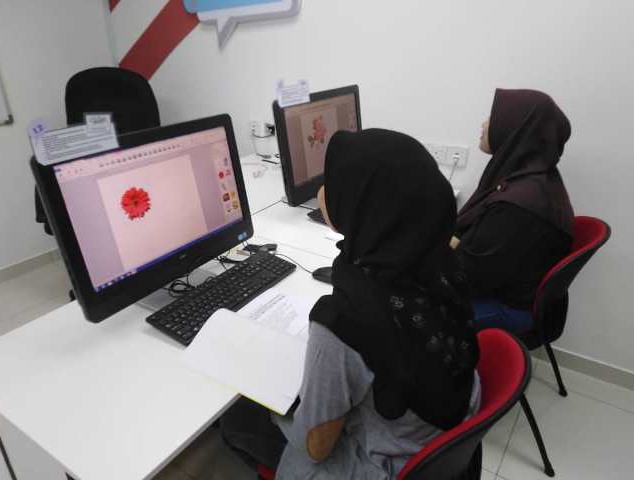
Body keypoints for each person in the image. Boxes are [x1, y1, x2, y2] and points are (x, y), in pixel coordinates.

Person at [221, 129, 481, 479]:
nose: (322, 192)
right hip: (439, 434)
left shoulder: (344, 319)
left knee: (238, 418)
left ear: (361, 209)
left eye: (332, 184)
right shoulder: (443, 263)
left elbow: (316, 447)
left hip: (389, 463)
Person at [452, 89, 574, 333]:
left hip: (507, 308)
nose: (484, 124)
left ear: (516, 128)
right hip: (506, 287)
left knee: (400, 304)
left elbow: (470, 278)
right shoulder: (529, 175)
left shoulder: (517, 206)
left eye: (493, 117)